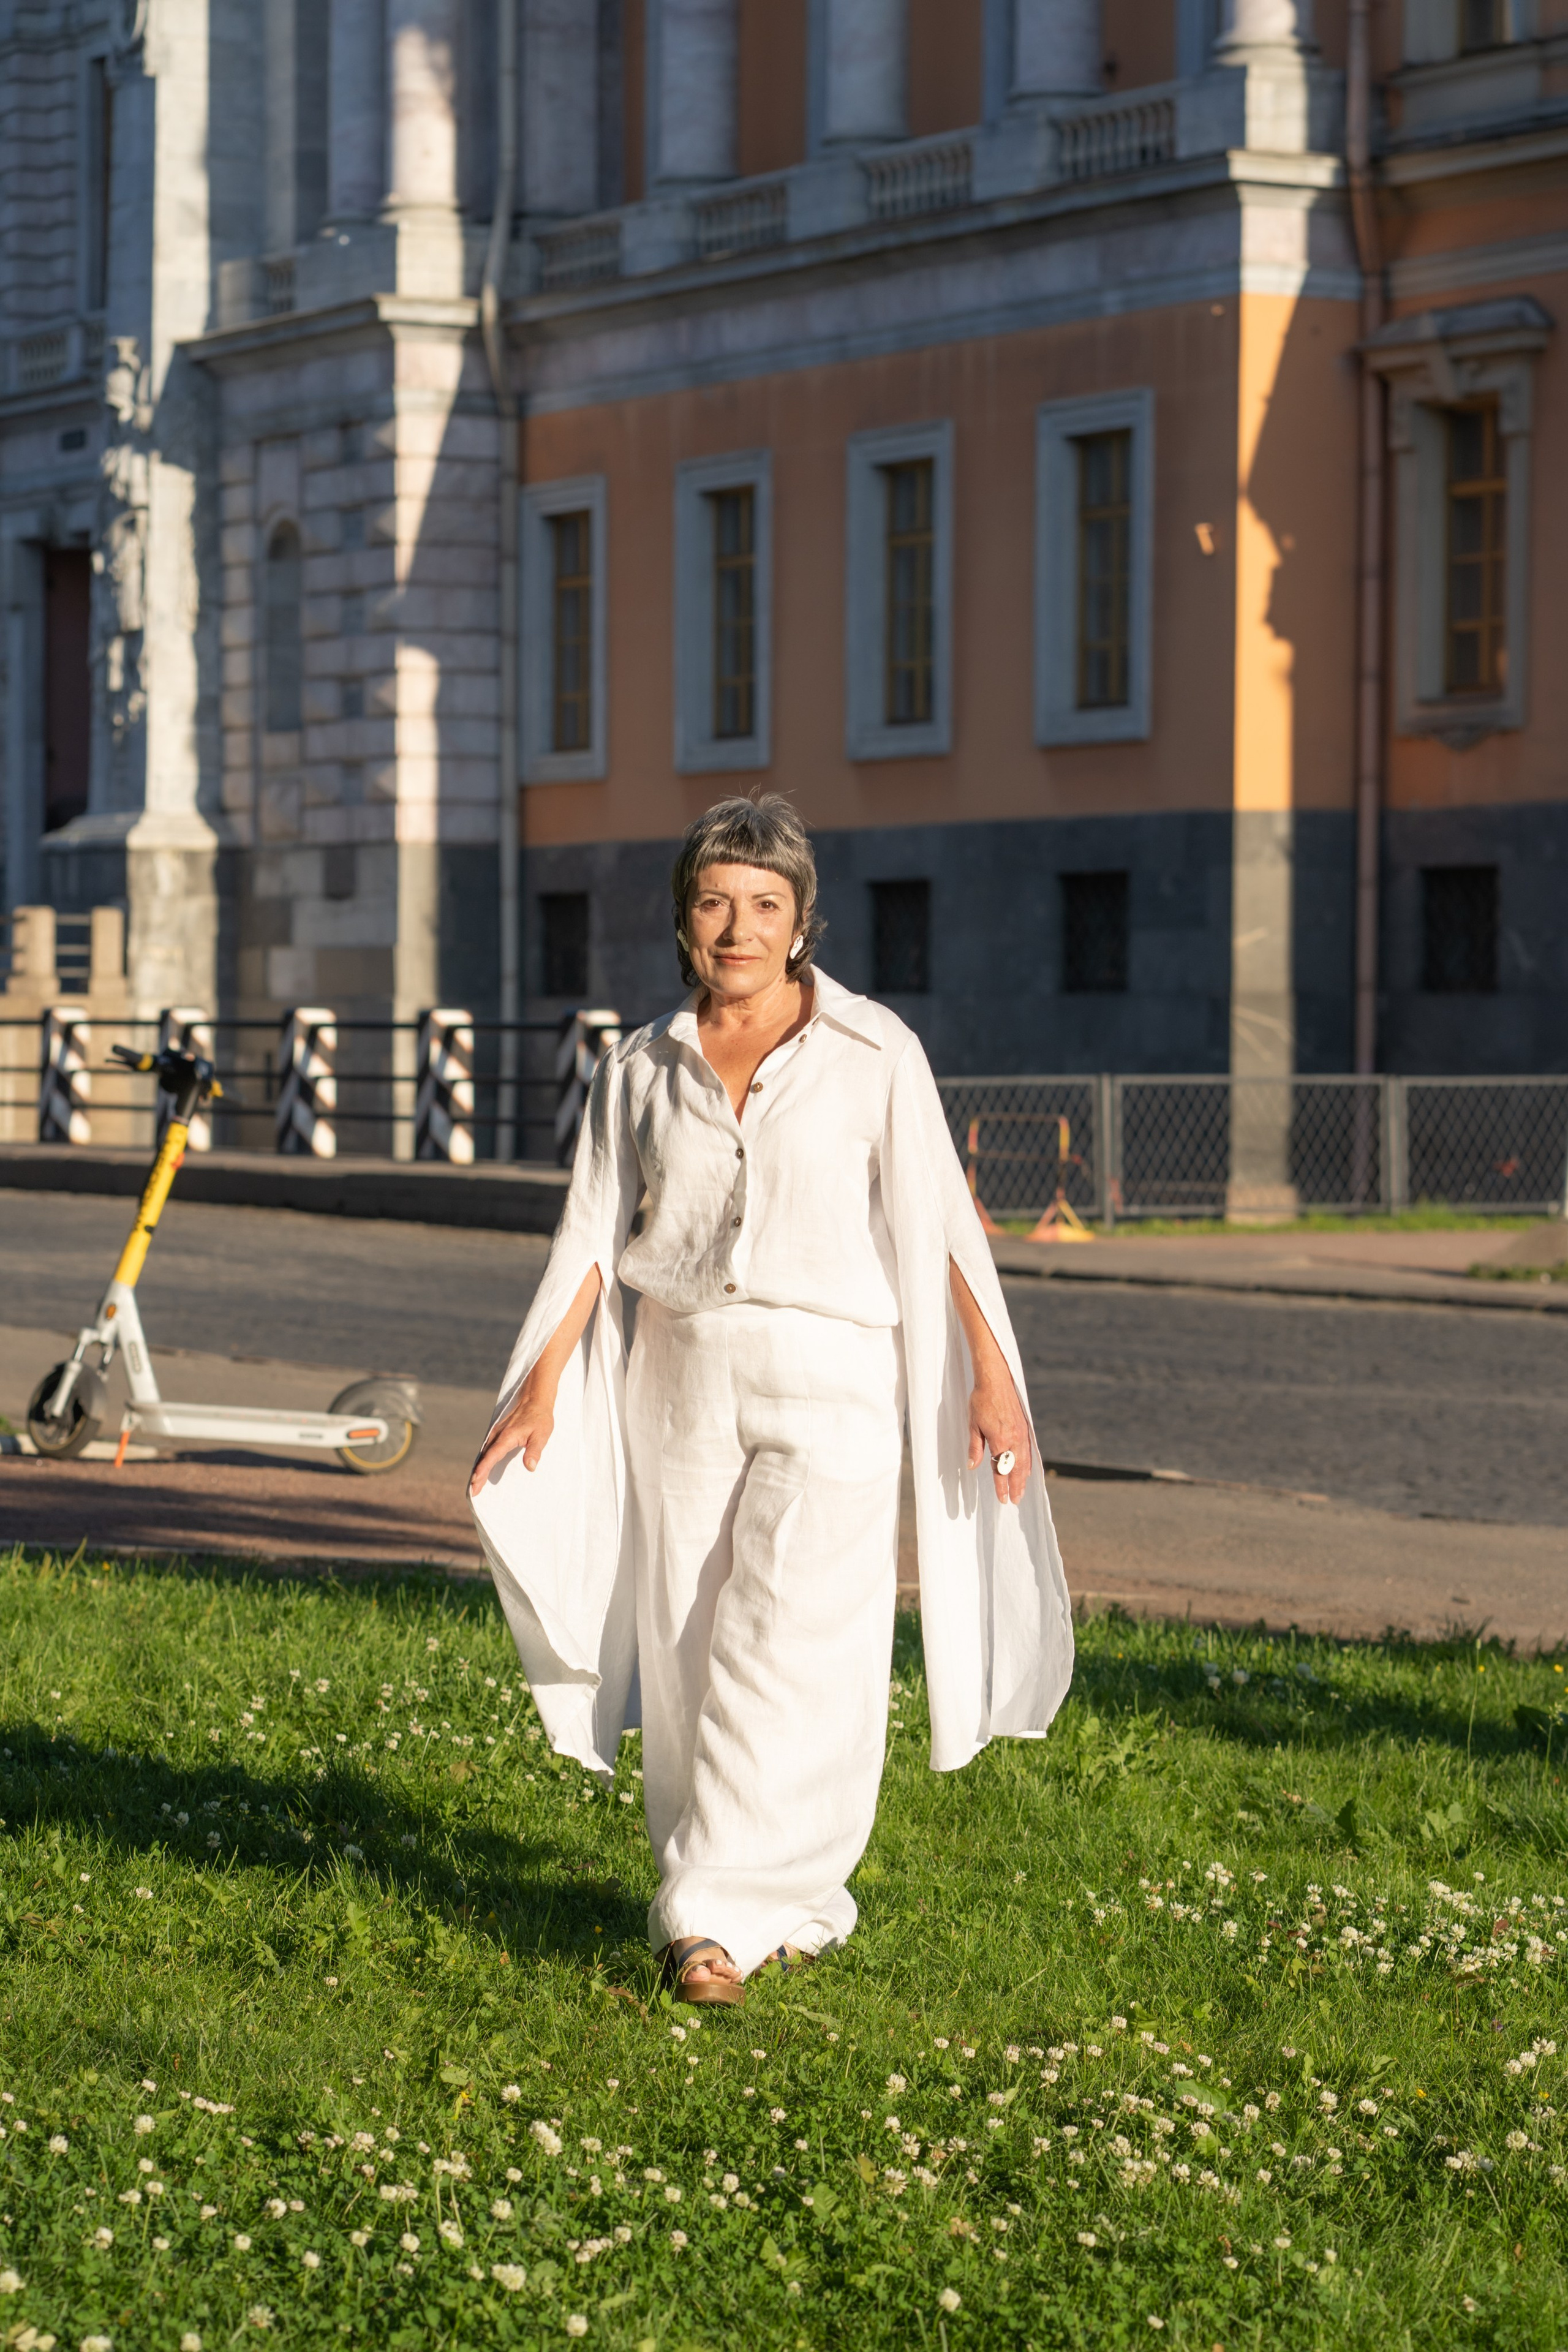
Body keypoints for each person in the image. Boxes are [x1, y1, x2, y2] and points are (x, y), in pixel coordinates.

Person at [470, 795, 1072, 2007]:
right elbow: (593, 1236)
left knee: (789, 1638)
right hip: (680, 1376)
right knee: (691, 1647)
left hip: (836, 1378)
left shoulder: (872, 1051)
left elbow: (937, 1222)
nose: (736, 927)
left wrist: (993, 1380)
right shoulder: (637, 1066)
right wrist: (539, 1389)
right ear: (683, 921)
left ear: (801, 923)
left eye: (763, 906)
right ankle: (792, 1896)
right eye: (713, 902)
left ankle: (704, 1920)